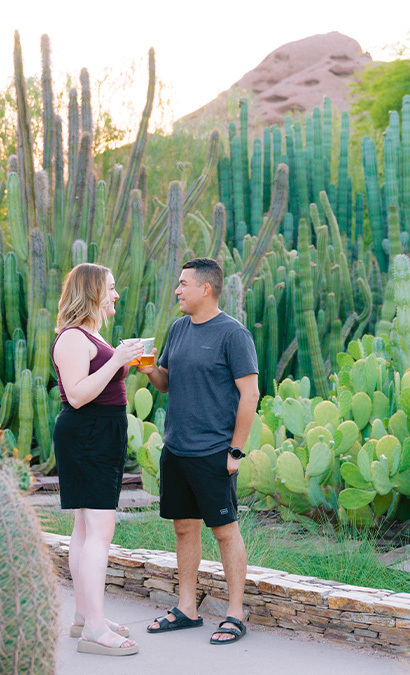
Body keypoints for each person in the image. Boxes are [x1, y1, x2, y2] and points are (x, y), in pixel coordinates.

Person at [139, 257, 260, 645]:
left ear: (205, 289)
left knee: (225, 532)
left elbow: (250, 393)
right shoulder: (178, 328)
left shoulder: (233, 334)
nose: (177, 290)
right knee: (183, 529)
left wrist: (235, 452)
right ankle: (187, 608)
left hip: (213, 452)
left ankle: (235, 613)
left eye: (183, 284)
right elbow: (167, 383)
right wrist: (149, 370)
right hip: (176, 449)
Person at [51, 263, 145, 657]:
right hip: (88, 433)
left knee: (86, 529)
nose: (116, 295)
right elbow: (76, 394)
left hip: (99, 432)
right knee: (100, 529)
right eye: (110, 287)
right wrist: (116, 359)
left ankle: (86, 616)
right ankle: (93, 629)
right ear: (91, 292)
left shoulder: (91, 335)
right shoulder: (73, 338)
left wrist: (127, 360)